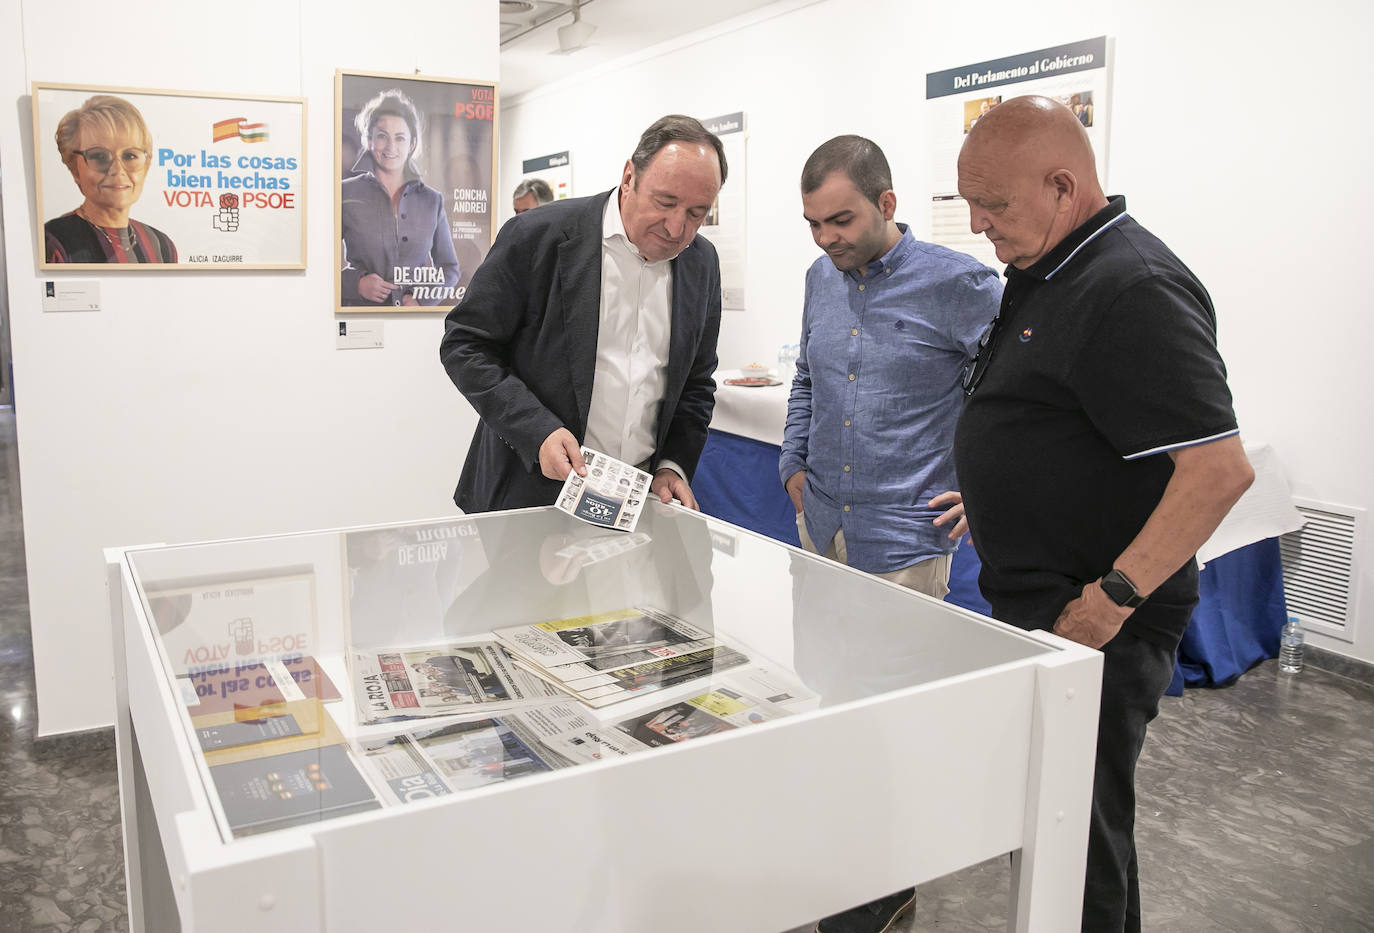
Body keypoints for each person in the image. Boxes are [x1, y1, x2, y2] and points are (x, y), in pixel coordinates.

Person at [934, 95, 1254, 932]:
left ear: (1063, 186)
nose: (978, 224)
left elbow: (1218, 471)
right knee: (1069, 824)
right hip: (1048, 602)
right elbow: (1064, 418)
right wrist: (1002, 488)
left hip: (1094, 618)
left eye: (993, 204)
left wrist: (1111, 598)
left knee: (1076, 840)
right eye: (971, 203)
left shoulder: (1132, 287)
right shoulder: (1053, 264)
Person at [782, 136, 1000, 933]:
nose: (826, 238)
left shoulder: (962, 284)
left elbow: (1014, 395)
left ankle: (885, 882)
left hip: (906, 539)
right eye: (813, 223)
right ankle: (837, 855)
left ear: (887, 204)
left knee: (890, 722)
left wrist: (986, 489)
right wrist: (792, 459)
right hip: (823, 527)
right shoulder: (820, 278)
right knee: (829, 701)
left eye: (840, 220)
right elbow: (806, 376)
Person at [439, 114, 726, 514]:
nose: (677, 228)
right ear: (629, 177)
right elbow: (465, 345)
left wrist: (672, 465)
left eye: (697, 213)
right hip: (528, 494)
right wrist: (537, 430)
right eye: (665, 203)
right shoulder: (537, 236)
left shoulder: (701, 263)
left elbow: (695, 382)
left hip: (633, 503)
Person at [340, 89, 460, 307]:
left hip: (411, 320)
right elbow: (320, 261)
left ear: (412, 144)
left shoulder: (432, 200)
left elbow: (449, 268)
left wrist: (421, 299)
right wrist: (355, 284)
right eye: (382, 136)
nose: (391, 147)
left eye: (400, 138)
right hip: (358, 317)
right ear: (369, 140)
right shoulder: (344, 192)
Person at [45, 95, 176, 264]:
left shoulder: (162, 245)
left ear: (146, 165)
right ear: (74, 169)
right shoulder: (53, 242)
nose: (117, 170)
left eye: (130, 156)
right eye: (99, 156)